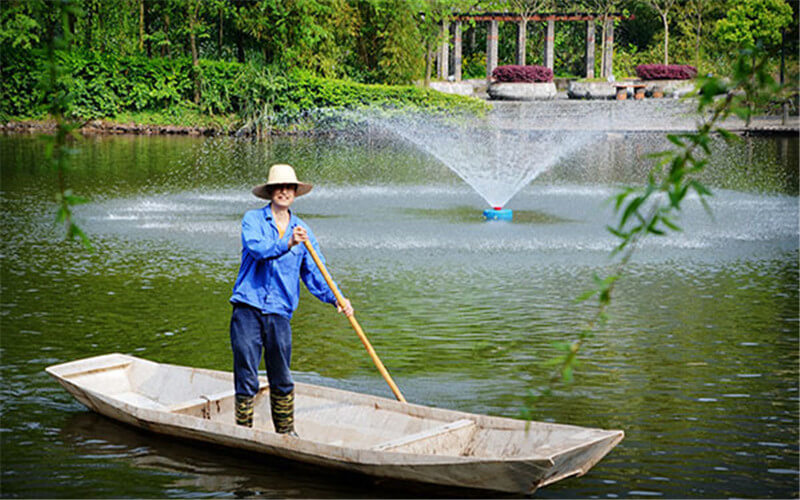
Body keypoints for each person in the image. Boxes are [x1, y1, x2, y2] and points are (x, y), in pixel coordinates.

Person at [229, 163, 352, 436]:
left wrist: (338, 299)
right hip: (247, 308)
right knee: (246, 374)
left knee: (281, 376)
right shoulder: (253, 220)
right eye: (279, 187)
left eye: (289, 188)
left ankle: (286, 433)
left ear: (295, 193)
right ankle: (243, 433)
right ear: (271, 191)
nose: (284, 192)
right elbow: (257, 249)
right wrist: (287, 244)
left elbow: (316, 274)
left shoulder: (303, 231)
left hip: (279, 311)